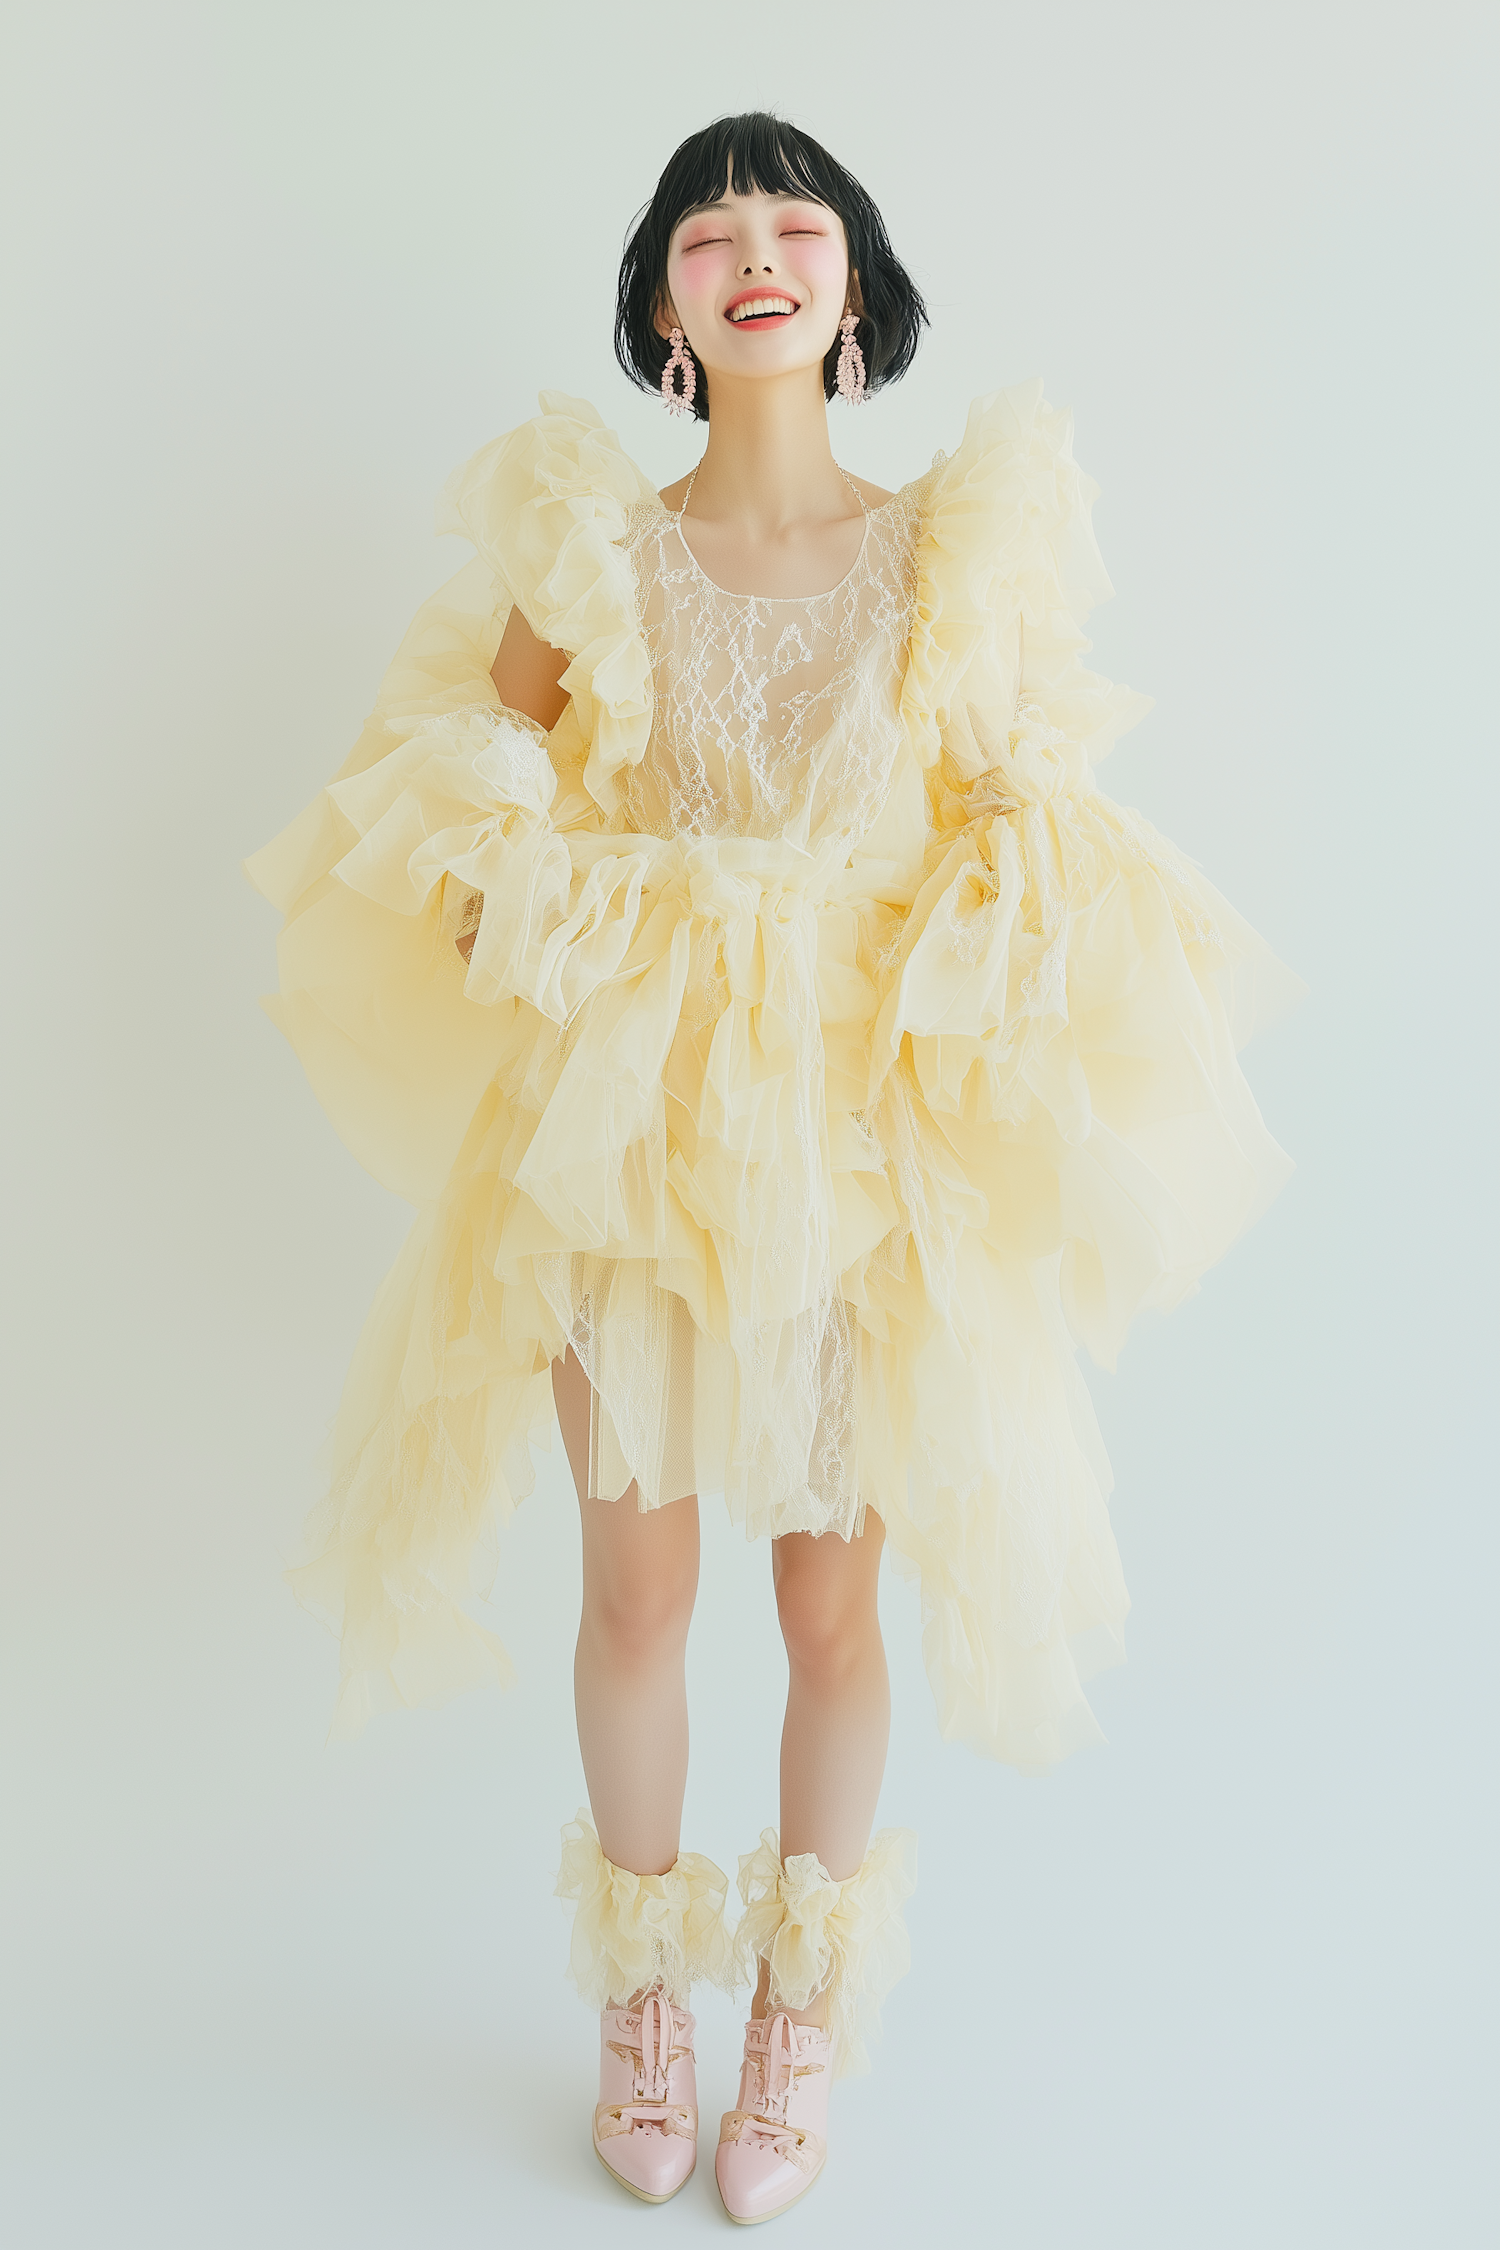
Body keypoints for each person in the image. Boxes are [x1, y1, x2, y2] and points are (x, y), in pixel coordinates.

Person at [245, 111, 1298, 2223]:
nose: (753, 251)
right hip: (630, 1131)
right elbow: (477, 774)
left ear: (852, 286)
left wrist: (998, 935)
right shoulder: (597, 555)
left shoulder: (946, 554)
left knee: (831, 1601)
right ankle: (645, 1998)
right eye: (709, 228)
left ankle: (796, 2022)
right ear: (664, 300)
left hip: (852, 1143)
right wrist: (520, 886)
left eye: (794, 222)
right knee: (636, 1585)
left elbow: (1020, 809)